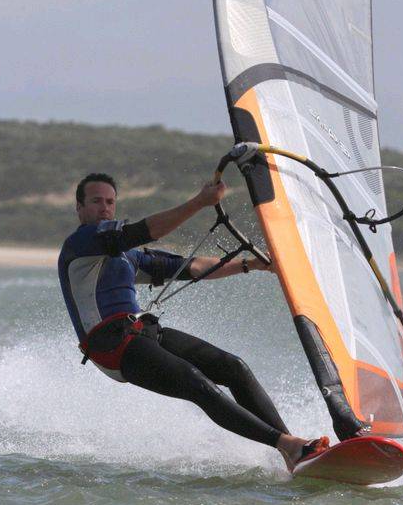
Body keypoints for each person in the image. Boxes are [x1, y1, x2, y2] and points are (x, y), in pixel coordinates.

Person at [58, 172, 329, 472]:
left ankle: (293, 451)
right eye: (96, 201)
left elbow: (193, 266)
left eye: (110, 202)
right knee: (195, 381)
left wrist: (250, 265)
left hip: (142, 332)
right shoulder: (80, 244)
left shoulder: (127, 257)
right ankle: (290, 447)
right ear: (79, 208)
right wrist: (200, 202)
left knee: (234, 367)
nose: (104, 208)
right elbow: (146, 231)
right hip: (110, 346)